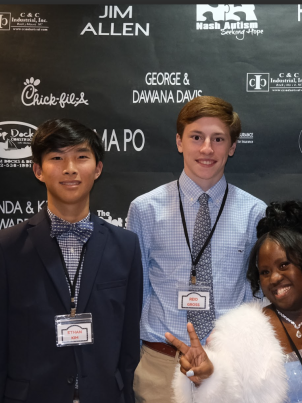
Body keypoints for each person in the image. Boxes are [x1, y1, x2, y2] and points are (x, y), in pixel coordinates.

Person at [0, 118, 143, 403]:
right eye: (56, 157)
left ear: (98, 168)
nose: (70, 168)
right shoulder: (6, 248)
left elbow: (128, 345)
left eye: (81, 156)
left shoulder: (126, 246)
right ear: (38, 170)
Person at [126, 95, 267, 402]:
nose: (207, 149)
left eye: (218, 139)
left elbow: (257, 295)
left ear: (232, 147)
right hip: (160, 366)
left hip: (228, 366)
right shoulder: (145, 210)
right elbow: (136, 291)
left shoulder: (255, 213)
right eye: (196, 137)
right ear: (179, 142)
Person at [166, 200, 302, 403]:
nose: (274, 278)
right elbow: (225, 393)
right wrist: (207, 378)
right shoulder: (241, 332)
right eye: (265, 272)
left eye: (284, 265)